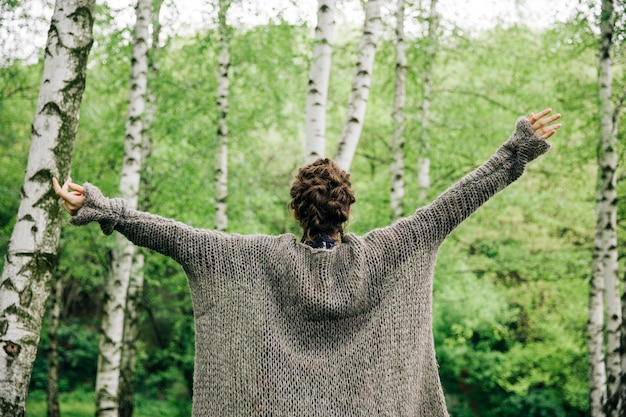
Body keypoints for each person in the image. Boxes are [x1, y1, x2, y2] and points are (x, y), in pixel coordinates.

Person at [54, 109, 561, 416]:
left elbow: (171, 235)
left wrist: (101, 207)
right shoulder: (393, 249)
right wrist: (517, 148)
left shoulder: (245, 258)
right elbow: (458, 200)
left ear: (296, 210)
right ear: (347, 208)